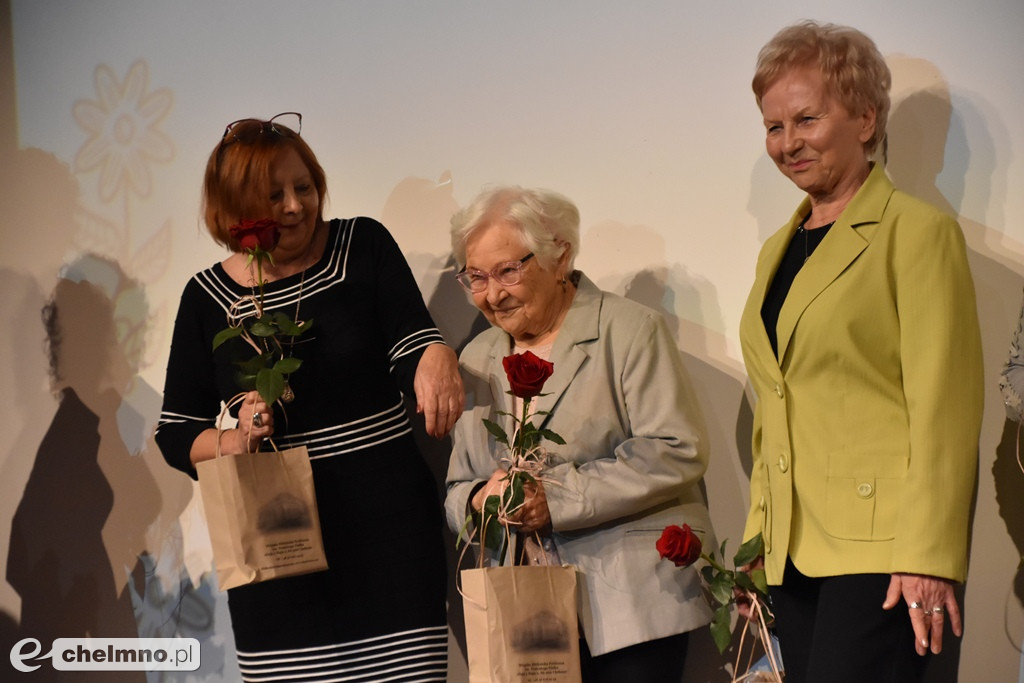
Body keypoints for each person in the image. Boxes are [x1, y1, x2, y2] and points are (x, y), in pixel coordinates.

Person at [155, 112, 463, 682]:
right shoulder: (206, 298)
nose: (297, 206)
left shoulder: (362, 244)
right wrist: (236, 439)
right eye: (274, 195)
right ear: (234, 206)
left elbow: (410, 340)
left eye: (305, 186)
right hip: (277, 560)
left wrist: (436, 354)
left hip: (388, 539)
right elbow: (174, 432)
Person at [737, 21, 983, 683]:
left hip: (885, 555)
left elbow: (945, 407)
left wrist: (929, 555)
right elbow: (778, 408)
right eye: (773, 126)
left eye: (807, 119)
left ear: (866, 117)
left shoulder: (918, 233)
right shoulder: (775, 252)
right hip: (792, 551)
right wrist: (758, 542)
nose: (788, 143)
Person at [444, 186, 714, 682]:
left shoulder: (630, 331)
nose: (492, 294)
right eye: (476, 277)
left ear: (560, 254)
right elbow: (459, 486)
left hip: (633, 605)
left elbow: (676, 449)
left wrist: (558, 499)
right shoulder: (475, 357)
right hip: (529, 608)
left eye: (508, 271)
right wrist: (483, 501)